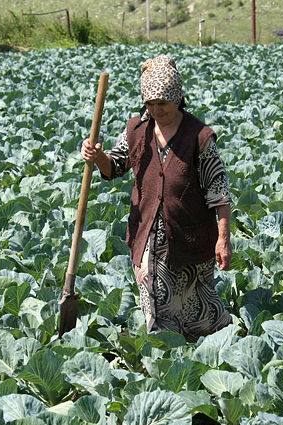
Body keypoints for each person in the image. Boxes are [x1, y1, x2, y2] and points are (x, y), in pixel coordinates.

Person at [81, 54, 233, 342]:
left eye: (161, 103)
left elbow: (219, 191)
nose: (156, 109)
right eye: (150, 103)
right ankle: (163, 354)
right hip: (148, 231)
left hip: (190, 232)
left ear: (176, 97)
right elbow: (115, 166)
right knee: (155, 301)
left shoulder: (199, 136)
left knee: (198, 309)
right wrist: (98, 156)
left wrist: (223, 237)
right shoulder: (136, 129)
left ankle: (209, 343)